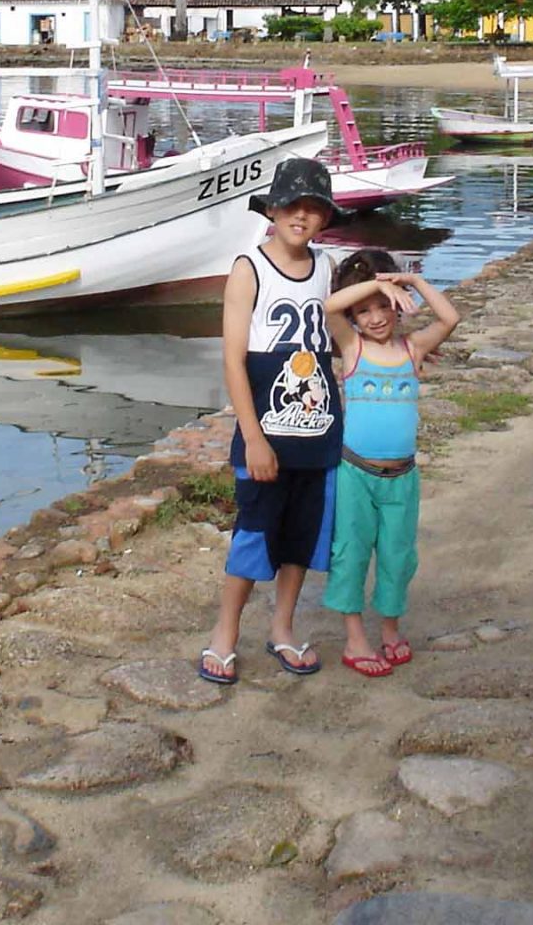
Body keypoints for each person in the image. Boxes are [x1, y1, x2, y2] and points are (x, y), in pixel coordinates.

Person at [199, 157, 344, 684]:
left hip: (318, 428)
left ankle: (283, 626)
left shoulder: (327, 267)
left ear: (324, 218)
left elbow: (341, 338)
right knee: (253, 533)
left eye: (313, 208)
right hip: (268, 429)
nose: (301, 217)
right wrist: (254, 438)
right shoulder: (249, 268)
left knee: (302, 537)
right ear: (274, 209)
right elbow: (234, 360)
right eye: (292, 206)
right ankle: (225, 633)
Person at [321, 249, 460, 677]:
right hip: (355, 474)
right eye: (365, 310)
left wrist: (411, 283)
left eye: (384, 307)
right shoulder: (352, 348)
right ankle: (355, 638)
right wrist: (374, 286)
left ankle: (390, 629)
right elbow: (327, 308)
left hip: (402, 477)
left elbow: (450, 319)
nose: (376, 316)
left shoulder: (413, 349)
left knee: (399, 556)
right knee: (351, 552)